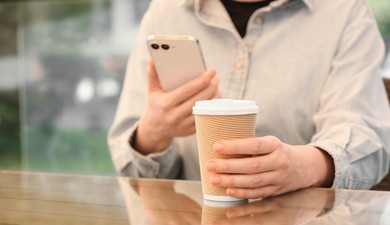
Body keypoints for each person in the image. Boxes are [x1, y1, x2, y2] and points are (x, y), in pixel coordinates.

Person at [108, 0, 390, 199]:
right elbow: (129, 171)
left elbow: (368, 143)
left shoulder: (346, 12)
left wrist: (301, 167)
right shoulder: (165, 11)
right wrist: (154, 133)